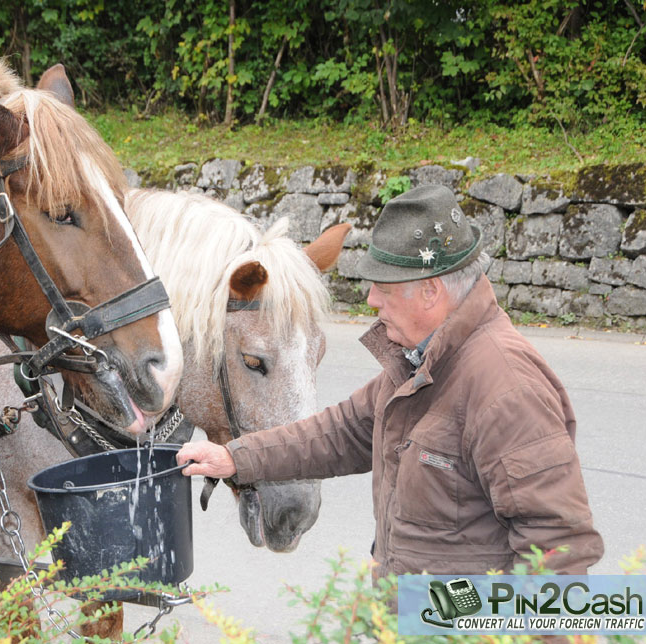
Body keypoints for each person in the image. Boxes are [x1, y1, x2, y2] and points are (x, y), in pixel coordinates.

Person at [177, 184, 604, 577]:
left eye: (383, 286)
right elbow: (342, 432)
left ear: (431, 291)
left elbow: (558, 548)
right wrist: (236, 457)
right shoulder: (424, 362)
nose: (371, 300)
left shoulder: (507, 390)